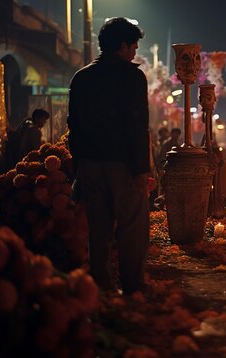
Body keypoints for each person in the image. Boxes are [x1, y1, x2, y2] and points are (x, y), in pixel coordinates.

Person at [67, 17, 149, 294]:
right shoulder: (132, 77)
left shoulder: (81, 77)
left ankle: (99, 289)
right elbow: (137, 124)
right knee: (131, 230)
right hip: (123, 167)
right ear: (122, 46)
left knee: (98, 232)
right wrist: (141, 168)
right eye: (134, 46)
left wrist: (77, 169)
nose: (135, 52)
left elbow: (73, 126)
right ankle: (131, 287)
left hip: (90, 166)